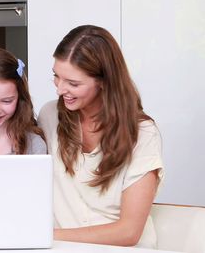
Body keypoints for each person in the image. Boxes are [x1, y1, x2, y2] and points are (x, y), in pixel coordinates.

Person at [37, 25, 164, 248]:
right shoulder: (50, 116)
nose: (59, 89)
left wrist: (48, 235)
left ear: (104, 82)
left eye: (73, 83)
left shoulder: (142, 133)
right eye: (57, 77)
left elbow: (128, 232)